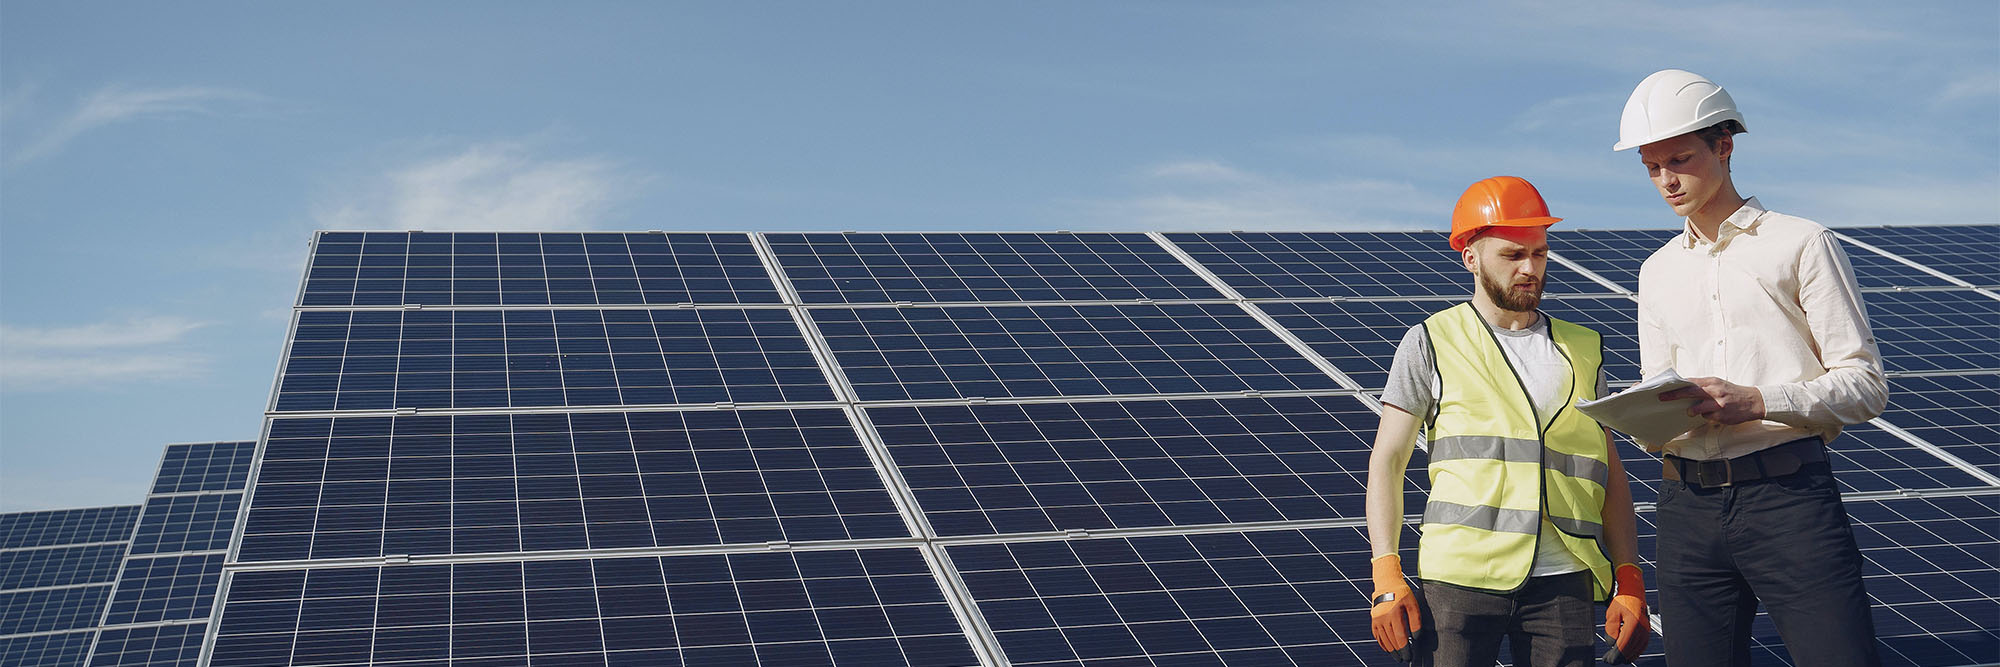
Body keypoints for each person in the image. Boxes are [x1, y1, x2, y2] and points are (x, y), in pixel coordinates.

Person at [1615, 69, 1887, 667]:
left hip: (1788, 501)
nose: (1666, 181)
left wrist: (1758, 401)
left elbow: (1865, 384)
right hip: (1684, 510)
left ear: (1725, 146)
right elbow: (1659, 391)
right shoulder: (1655, 272)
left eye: (1680, 160)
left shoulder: (1802, 243)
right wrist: (1645, 416)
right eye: (1651, 167)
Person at [1364, 176, 1649, 667]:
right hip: (1458, 581)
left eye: (1539, 254)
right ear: (1470, 256)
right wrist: (1386, 572)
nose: (1530, 268)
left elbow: (1610, 470)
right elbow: (1388, 462)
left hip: (1565, 581)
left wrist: (1630, 573)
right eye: (1512, 255)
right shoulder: (1431, 341)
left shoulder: (1584, 349)